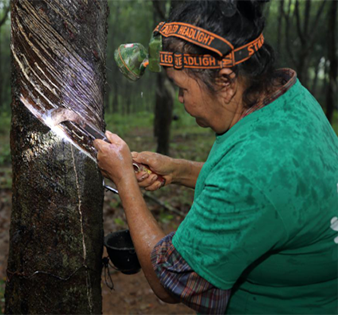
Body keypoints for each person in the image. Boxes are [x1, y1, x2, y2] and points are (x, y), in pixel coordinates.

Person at [94, 0, 338, 314]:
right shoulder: (289, 97)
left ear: (225, 80)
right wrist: (178, 170)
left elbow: (168, 279)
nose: (181, 101)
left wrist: (125, 181)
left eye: (182, 89)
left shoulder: (249, 173)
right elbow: (274, 192)